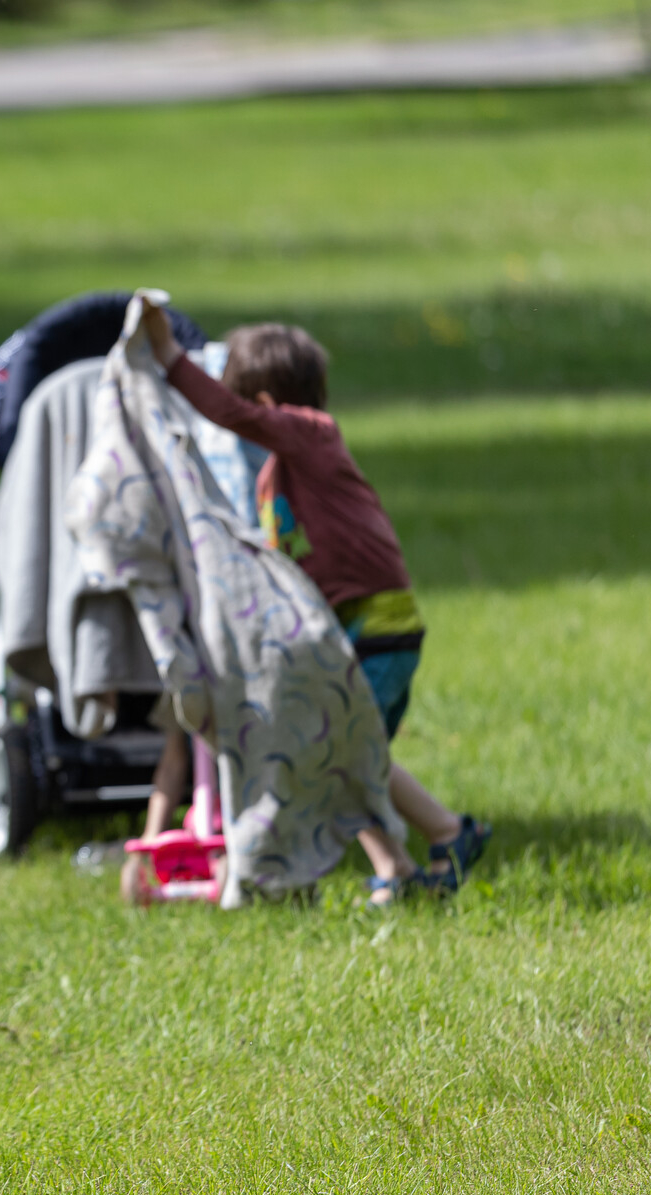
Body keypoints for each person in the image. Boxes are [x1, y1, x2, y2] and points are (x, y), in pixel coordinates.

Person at [139, 303, 492, 906]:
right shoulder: (274, 477)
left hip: (380, 625)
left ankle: (447, 833)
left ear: (270, 404)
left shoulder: (312, 434)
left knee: (344, 756)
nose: (242, 424)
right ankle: (400, 867)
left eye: (249, 410)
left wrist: (169, 358)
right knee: (342, 756)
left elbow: (228, 411)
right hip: (352, 631)